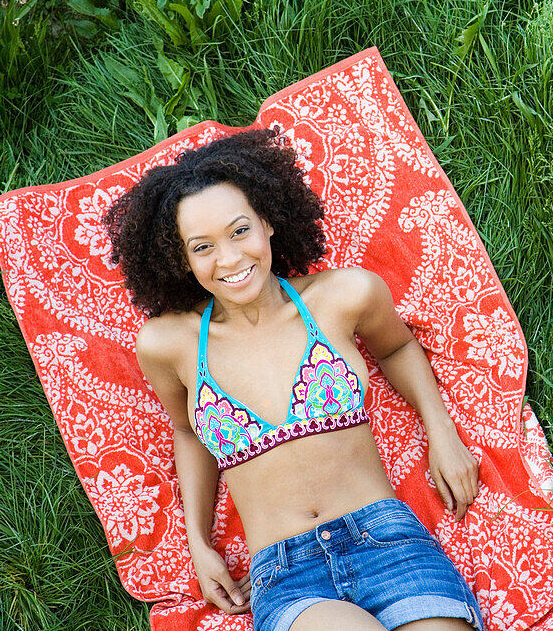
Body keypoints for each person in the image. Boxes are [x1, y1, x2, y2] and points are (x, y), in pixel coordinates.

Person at [103, 127, 484, 631]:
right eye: (203, 247)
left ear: (267, 222)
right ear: (182, 259)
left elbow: (397, 346)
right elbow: (187, 431)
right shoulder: (168, 345)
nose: (231, 259)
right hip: (288, 578)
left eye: (240, 231)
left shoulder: (343, 295)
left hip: (389, 542)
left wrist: (441, 431)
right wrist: (199, 540)